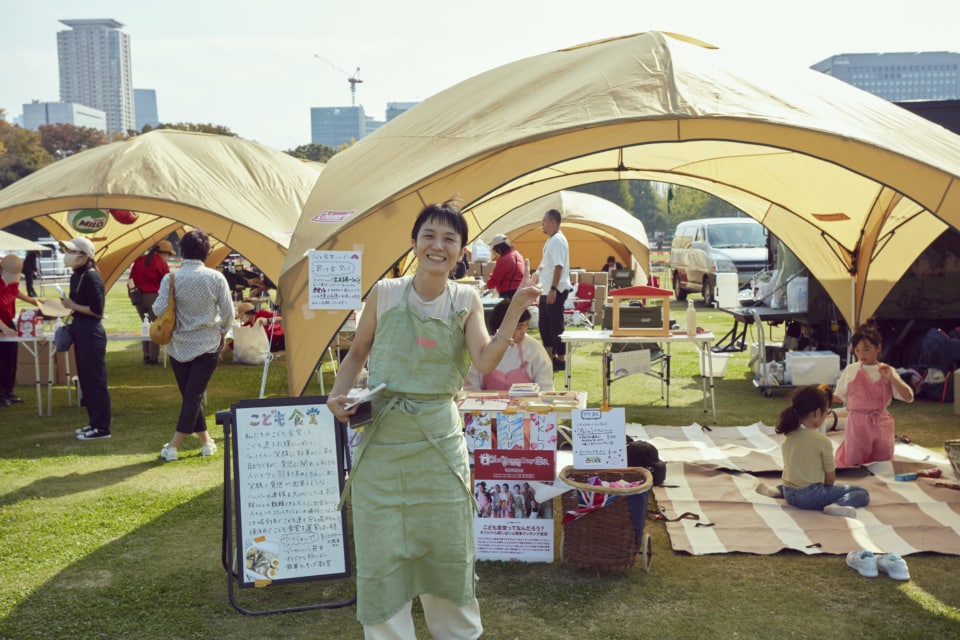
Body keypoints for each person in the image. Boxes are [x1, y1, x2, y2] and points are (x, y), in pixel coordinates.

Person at [326, 199, 540, 638]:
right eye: (429, 236)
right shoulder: (384, 294)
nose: (438, 246)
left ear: (462, 251)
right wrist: (338, 393)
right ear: (414, 242)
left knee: (448, 551)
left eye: (449, 239)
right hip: (382, 445)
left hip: (439, 448)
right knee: (382, 555)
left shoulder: (465, 298)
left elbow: (483, 360)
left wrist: (515, 307)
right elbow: (357, 352)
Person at [154, 230, 234, 462]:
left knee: (191, 396)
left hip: (178, 345)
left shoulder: (171, 279)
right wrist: (222, 332)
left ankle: (175, 446)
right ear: (206, 251)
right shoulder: (216, 278)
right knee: (193, 396)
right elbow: (228, 313)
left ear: (182, 250)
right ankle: (201, 443)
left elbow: (159, 310)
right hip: (208, 344)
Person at [756, 385, 870, 518]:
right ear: (816, 413)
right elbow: (830, 478)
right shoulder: (821, 441)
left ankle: (776, 491)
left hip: (789, 492)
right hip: (809, 496)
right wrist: (827, 490)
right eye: (825, 413)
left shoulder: (789, 434)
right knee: (862, 493)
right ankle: (837, 505)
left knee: (796, 481)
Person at [834, 321, 914, 468]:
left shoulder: (887, 371)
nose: (861, 354)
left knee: (884, 463)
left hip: (881, 422)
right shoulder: (851, 370)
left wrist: (893, 379)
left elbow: (909, 397)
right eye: (857, 350)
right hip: (857, 423)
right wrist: (822, 396)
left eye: (866, 349)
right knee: (854, 463)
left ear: (878, 348)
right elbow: (840, 396)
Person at [59, 237, 112, 440]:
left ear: (85, 255)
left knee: (95, 380)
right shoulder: (78, 275)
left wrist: (72, 305)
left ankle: (102, 427)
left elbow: (97, 310)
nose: (69, 254)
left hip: (91, 332)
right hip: (82, 331)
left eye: (73, 251)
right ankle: (94, 422)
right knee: (87, 380)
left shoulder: (91, 277)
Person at [462, 301, 553, 392]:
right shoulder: (481, 348)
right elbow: (471, 388)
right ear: (502, 327)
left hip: (527, 405)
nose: (524, 331)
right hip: (486, 405)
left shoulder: (534, 348)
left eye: (526, 325)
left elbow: (545, 387)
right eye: (519, 327)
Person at [1, 254, 41, 407]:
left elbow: (15, 292)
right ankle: (0, 395)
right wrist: (4, 329)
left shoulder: (11, 283)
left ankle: (8, 391)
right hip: (2, 324)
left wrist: (34, 301)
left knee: (10, 358)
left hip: (8, 322)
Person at [535, 208, 572, 371]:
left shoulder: (557, 240)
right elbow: (548, 265)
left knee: (555, 325)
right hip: (546, 289)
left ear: (552, 222)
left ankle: (561, 359)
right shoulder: (552, 239)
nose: (542, 224)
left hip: (554, 289)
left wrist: (553, 289)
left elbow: (559, 266)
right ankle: (551, 358)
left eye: (544, 221)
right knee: (544, 325)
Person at [129, 239, 174, 365]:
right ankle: (154, 357)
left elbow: (131, 280)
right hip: (153, 297)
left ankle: (146, 355)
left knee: (145, 326)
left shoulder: (139, 261)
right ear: (164, 253)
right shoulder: (161, 263)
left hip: (138, 297)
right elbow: (167, 283)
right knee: (156, 326)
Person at [484, 233, 525, 299]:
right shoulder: (518, 255)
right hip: (521, 290)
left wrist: (487, 285)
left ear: (498, 248)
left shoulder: (504, 259)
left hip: (509, 293)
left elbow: (496, 277)